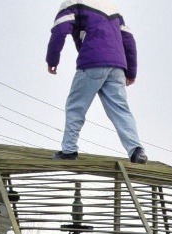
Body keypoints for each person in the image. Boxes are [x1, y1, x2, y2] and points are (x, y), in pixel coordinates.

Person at [47, 1, 146, 164]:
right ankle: (136, 150)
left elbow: (60, 30)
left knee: (76, 106)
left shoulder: (73, 3)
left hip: (92, 61)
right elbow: (128, 39)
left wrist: (52, 59)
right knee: (120, 109)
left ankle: (69, 151)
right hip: (117, 66)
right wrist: (131, 72)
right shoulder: (111, 6)